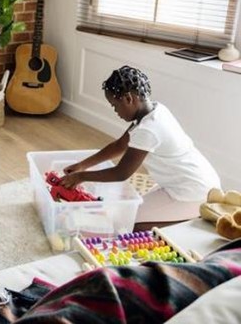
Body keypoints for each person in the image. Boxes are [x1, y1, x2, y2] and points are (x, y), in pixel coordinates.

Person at [60, 65, 221, 230]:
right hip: (188, 181)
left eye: (115, 105)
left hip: (192, 191)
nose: (115, 111)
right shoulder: (156, 110)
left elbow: (121, 173)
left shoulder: (148, 130)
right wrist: (82, 165)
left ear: (129, 99)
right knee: (127, 214)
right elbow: (119, 145)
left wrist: (81, 177)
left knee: (130, 226)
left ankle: (194, 219)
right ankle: (187, 213)